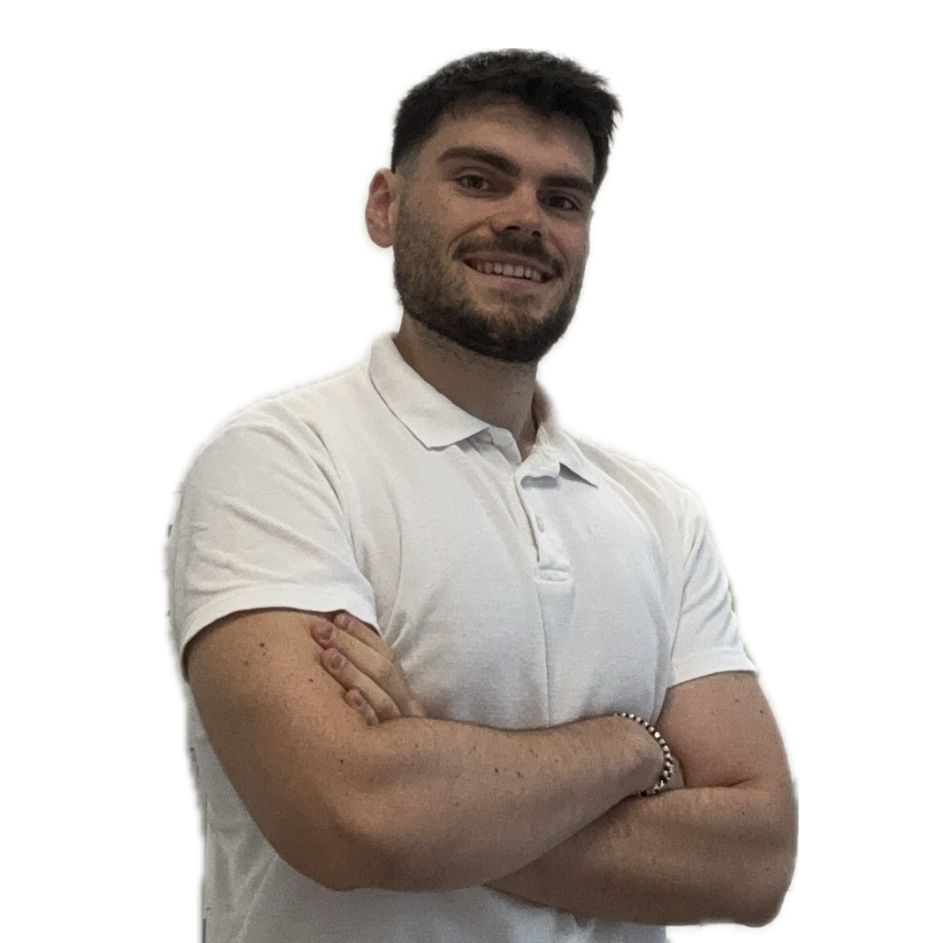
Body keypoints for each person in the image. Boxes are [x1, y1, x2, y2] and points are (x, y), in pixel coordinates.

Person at [166, 49, 797, 943]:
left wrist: (437, 797)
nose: (524, 219)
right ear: (385, 207)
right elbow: (348, 816)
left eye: (562, 199)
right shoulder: (281, 464)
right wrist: (633, 747)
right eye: (477, 180)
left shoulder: (661, 514)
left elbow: (756, 861)